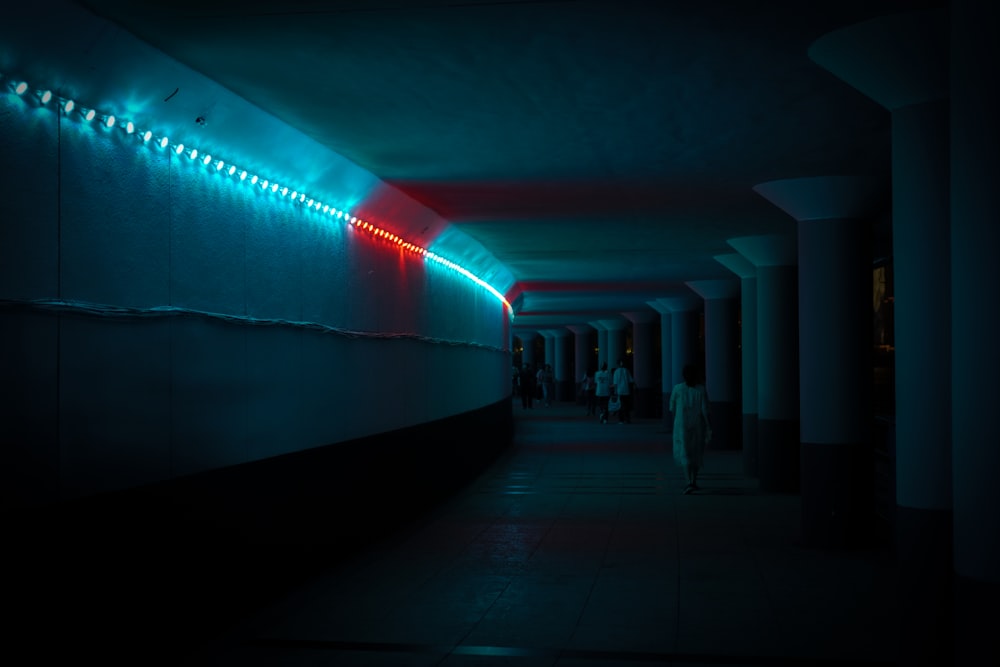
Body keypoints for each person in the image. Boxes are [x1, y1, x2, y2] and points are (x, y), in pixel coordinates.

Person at [669, 363, 712, 494]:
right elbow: (705, 410)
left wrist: (677, 419)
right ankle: (694, 480)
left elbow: (672, 408)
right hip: (698, 425)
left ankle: (688, 482)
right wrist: (709, 427)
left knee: (685, 452)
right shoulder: (701, 390)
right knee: (696, 452)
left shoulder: (677, 389)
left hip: (681, 425)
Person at [611, 358, 634, 424]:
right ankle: (627, 419)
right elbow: (631, 381)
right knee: (627, 405)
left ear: (618, 364)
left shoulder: (616, 372)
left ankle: (621, 420)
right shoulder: (627, 371)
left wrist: (612, 390)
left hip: (619, 391)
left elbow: (615, 384)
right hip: (626, 391)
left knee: (620, 406)